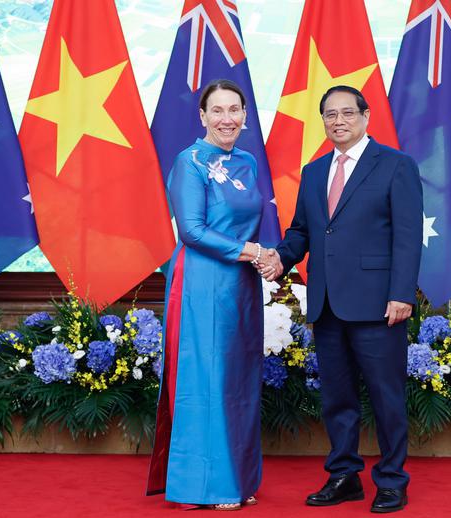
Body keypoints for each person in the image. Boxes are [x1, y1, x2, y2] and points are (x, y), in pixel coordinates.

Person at [259, 85, 422, 513]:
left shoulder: (396, 166)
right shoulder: (314, 173)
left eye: (347, 113)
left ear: (366, 117)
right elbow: (303, 231)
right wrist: (278, 257)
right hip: (327, 303)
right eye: (330, 114)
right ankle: (344, 476)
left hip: (379, 304)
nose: (338, 121)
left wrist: (401, 293)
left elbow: (407, 237)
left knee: (386, 396)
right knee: (337, 397)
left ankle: (391, 480)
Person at [146, 79, 267, 511]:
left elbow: (248, 221)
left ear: (245, 115)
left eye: (234, 110)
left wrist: (262, 257)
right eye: (217, 110)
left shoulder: (249, 161)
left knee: (239, 379)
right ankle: (206, 485)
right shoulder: (189, 161)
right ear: (202, 116)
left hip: (242, 282)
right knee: (208, 380)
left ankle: (238, 478)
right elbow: (193, 230)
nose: (227, 119)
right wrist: (251, 251)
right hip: (202, 280)